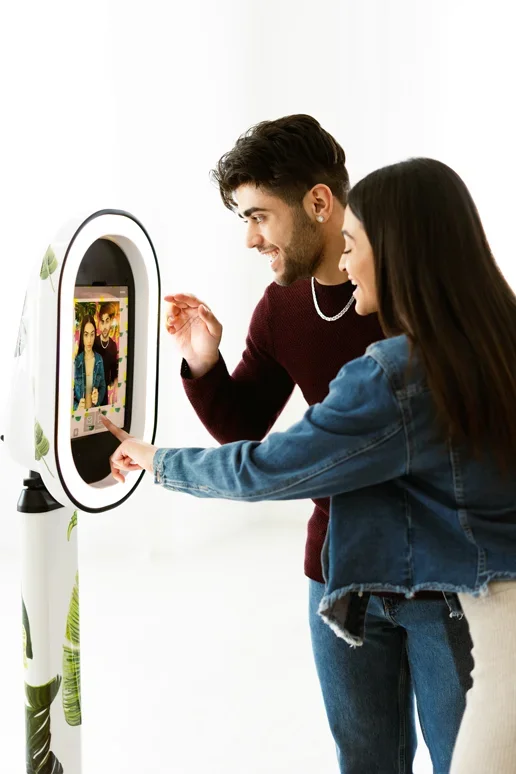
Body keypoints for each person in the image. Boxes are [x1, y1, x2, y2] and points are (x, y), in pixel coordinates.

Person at [105, 156, 516, 774]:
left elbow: (269, 466)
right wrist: (204, 365)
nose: (348, 264)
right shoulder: (489, 334)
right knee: (368, 755)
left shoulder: (396, 372)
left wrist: (155, 460)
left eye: (259, 215)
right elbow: (248, 430)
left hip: (451, 593)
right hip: (354, 577)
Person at [73, 314, 106, 410]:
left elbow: (103, 386)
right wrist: (76, 407)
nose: (89, 340)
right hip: (79, 416)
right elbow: (67, 393)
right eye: (86, 334)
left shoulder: (99, 360)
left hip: (95, 413)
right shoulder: (76, 362)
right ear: (82, 335)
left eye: (92, 334)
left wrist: (98, 397)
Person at [93, 302, 119, 396]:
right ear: (99, 323)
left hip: (105, 393)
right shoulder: (94, 343)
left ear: (111, 322)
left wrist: (113, 384)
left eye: (107, 321)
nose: (104, 326)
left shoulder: (113, 345)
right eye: (102, 322)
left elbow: (114, 369)